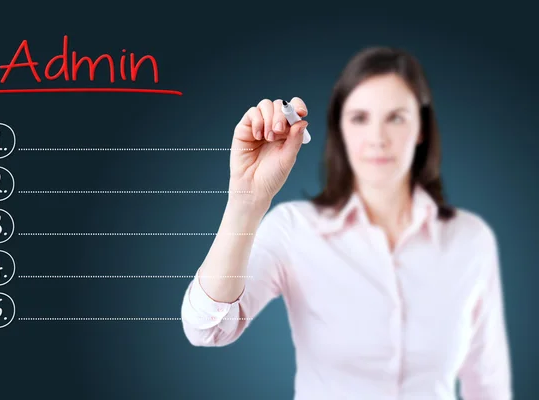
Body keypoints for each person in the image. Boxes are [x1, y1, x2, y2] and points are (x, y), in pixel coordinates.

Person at [180, 46, 512, 399]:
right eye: (359, 118)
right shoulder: (294, 229)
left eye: (396, 117)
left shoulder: (471, 239)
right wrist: (246, 203)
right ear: (340, 129)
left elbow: (487, 383)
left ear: (421, 129)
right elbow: (206, 328)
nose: (378, 138)